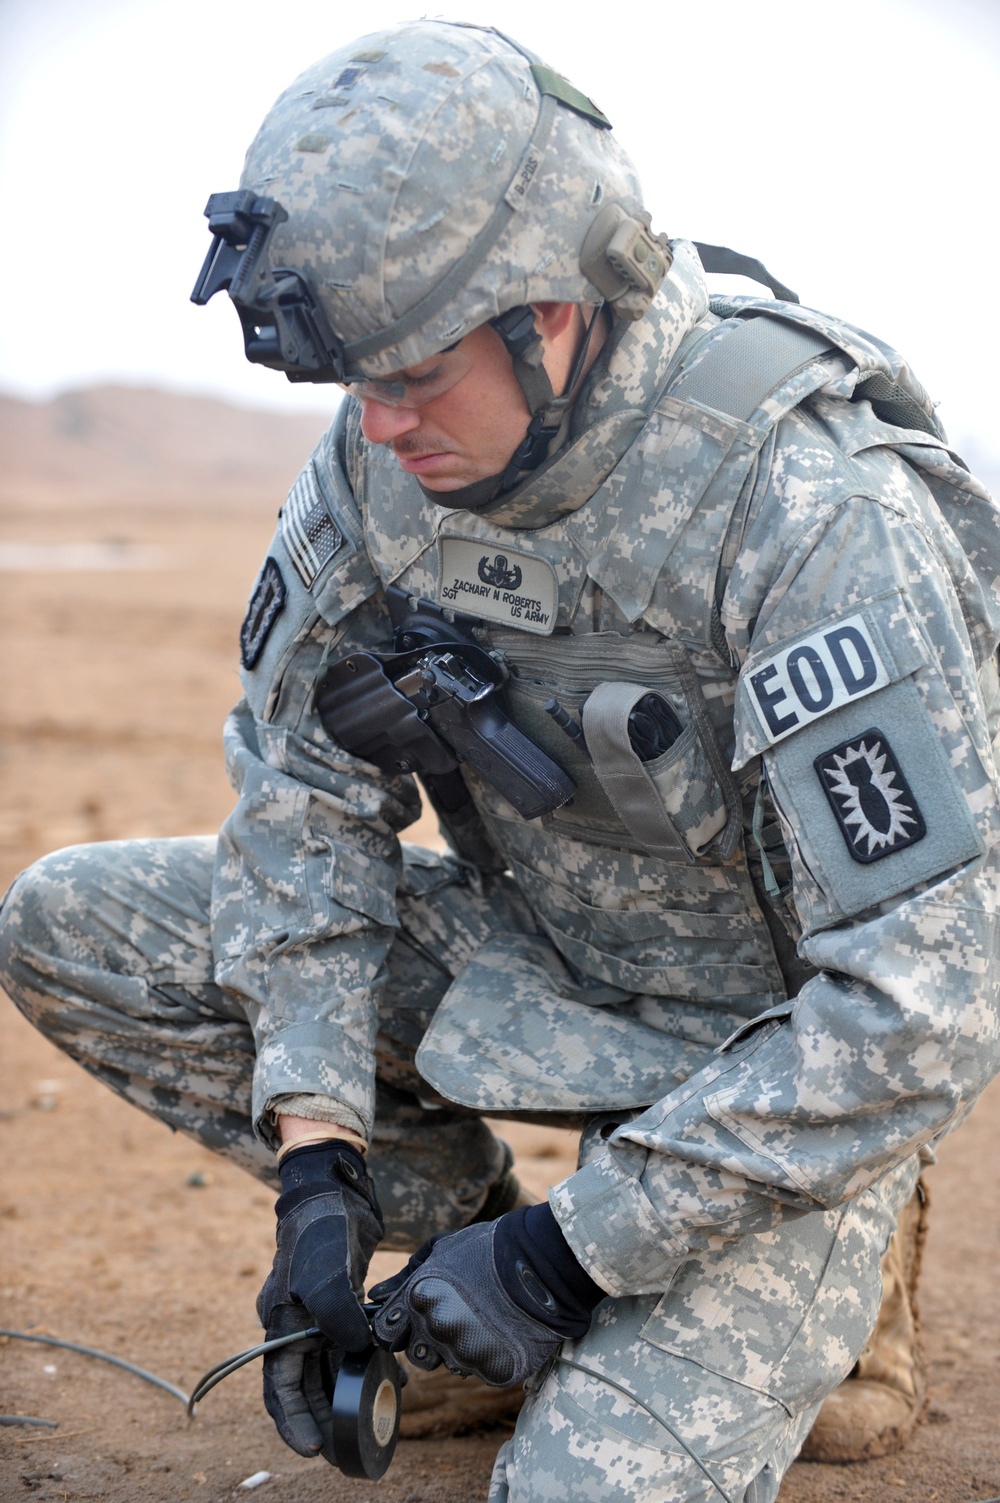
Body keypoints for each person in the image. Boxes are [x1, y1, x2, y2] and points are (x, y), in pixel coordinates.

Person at [2, 19, 999, 1501]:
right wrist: (320, 1157)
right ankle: (445, 1242)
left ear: (553, 312)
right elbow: (304, 801)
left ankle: (812, 1274)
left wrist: (566, 1254)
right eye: (350, 381)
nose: (378, 423)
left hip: (774, 1068)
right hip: (540, 962)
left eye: (411, 373)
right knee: (73, 923)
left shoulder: (800, 502)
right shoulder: (377, 462)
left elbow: (928, 995)